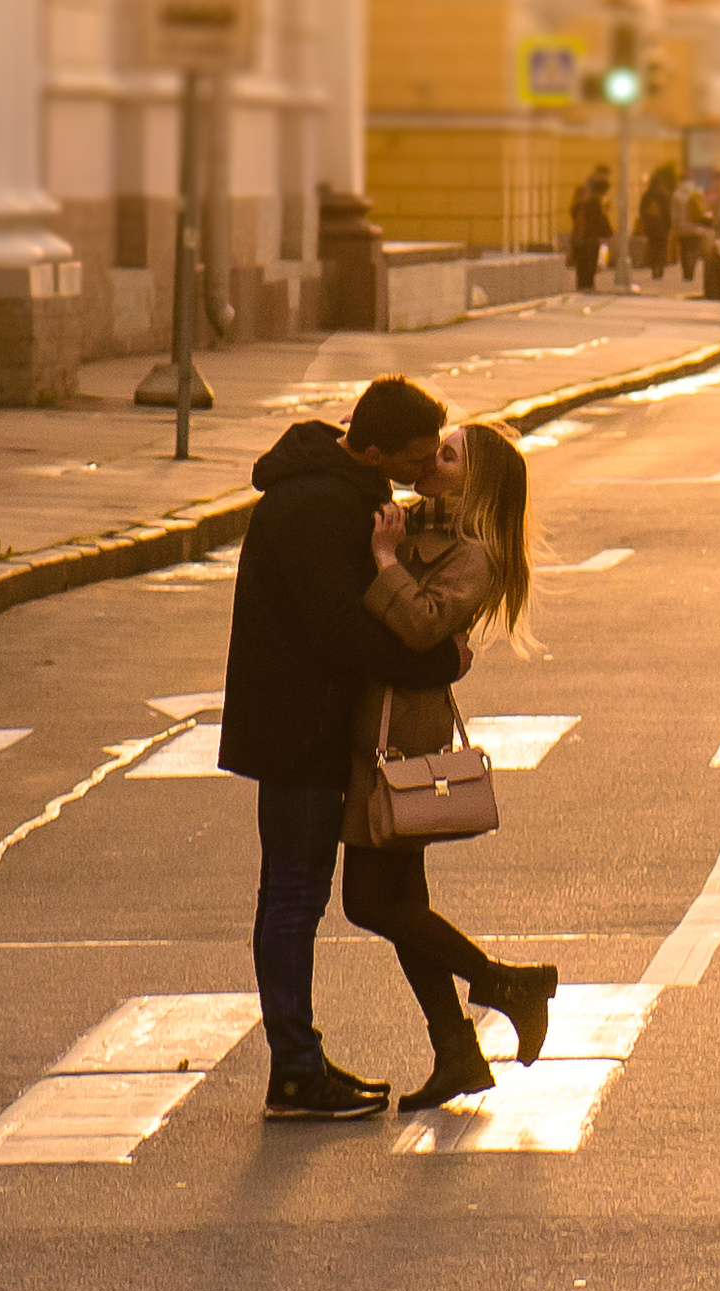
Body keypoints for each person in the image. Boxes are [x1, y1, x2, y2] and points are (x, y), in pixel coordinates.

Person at [220, 376, 471, 1119]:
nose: (423, 468)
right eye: (416, 457)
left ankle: (300, 1061)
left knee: (294, 897)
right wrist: (434, 662)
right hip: (298, 729)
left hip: (310, 725)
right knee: (293, 899)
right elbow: (340, 631)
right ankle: (295, 1071)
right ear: (373, 450)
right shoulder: (317, 506)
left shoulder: (344, 489)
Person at [351, 423, 559, 1109]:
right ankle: (457, 1051)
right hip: (381, 716)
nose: (430, 461)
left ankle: (506, 983)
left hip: (400, 729)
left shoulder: (476, 554)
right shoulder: (412, 521)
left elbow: (422, 625)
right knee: (402, 904)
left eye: (448, 457)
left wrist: (386, 559)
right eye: (435, 447)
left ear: (477, 485)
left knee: (368, 901)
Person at [569, 166, 613, 293]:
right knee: (588, 263)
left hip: (583, 237)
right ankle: (586, 286)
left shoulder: (584, 199)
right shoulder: (592, 200)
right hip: (588, 237)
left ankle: (584, 286)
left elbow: (574, 212)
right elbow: (597, 219)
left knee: (585, 264)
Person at [638, 166, 676, 279]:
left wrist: (646, 221)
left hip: (650, 227)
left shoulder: (647, 196)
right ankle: (660, 267)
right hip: (662, 227)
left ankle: (654, 267)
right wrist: (669, 225)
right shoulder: (664, 195)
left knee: (652, 247)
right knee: (661, 248)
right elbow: (667, 211)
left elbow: (642, 211)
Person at [674, 175, 711, 283]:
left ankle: (686, 274)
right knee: (694, 251)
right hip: (696, 228)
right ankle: (691, 272)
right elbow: (703, 210)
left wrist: (675, 228)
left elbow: (674, 214)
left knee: (684, 251)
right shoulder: (697, 193)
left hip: (682, 229)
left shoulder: (676, 195)